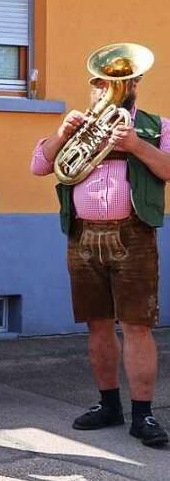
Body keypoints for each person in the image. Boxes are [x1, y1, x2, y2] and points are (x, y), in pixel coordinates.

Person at [30, 64, 170, 447]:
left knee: (137, 326)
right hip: (82, 235)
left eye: (118, 83)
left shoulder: (157, 126)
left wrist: (136, 145)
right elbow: (40, 166)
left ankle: (144, 415)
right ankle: (108, 405)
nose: (107, 90)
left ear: (136, 85)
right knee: (97, 324)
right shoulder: (79, 127)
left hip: (134, 233)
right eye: (100, 83)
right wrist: (62, 135)